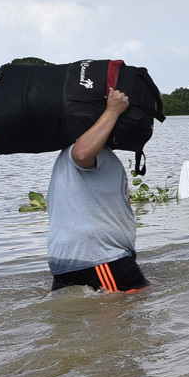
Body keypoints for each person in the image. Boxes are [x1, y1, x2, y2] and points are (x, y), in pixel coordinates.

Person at [47, 86, 149, 292]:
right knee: (134, 306)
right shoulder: (85, 152)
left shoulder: (68, 160)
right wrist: (112, 111)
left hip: (78, 259)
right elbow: (82, 154)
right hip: (101, 257)